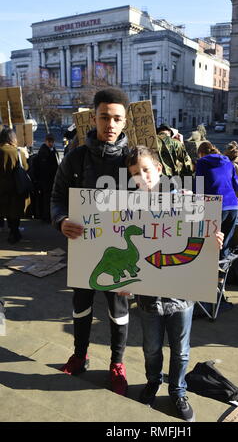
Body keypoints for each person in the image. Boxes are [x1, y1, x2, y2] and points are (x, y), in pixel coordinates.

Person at [126, 145, 223, 422]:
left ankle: (177, 390)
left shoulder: (185, 199)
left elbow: (206, 234)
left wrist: (213, 240)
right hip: (147, 297)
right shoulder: (128, 209)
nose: (141, 177)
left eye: (145, 170)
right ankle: (153, 381)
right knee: (151, 348)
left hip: (182, 295)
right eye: (134, 173)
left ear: (158, 169)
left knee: (180, 351)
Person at [51, 87, 131, 396]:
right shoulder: (76, 157)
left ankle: (117, 363)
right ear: (93, 118)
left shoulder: (133, 158)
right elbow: (57, 197)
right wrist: (61, 221)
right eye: (104, 117)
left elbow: (158, 203)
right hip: (83, 247)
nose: (110, 125)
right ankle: (80, 353)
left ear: (124, 122)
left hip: (122, 251)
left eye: (116, 119)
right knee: (81, 305)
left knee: (118, 308)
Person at [196, 141, 238, 260]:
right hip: (233, 206)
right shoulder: (228, 162)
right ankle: (223, 275)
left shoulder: (201, 162)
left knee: (210, 244)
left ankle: (210, 275)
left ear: (201, 153)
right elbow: (236, 184)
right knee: (225, 247)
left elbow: (198, 186)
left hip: (215, 206)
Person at [0, 128, 29, 244]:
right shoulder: (18, 152)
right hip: (16, 187)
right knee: (15, 211)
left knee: (6, 210)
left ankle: (13, 232)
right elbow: (25, 168)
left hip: (2, 188)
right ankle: (14, 232)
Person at [33, 134, 59, 222]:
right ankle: (46, 216)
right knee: (46, 198)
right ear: (46, 141)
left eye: (52, 141)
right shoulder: (44, 151)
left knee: (47, 198)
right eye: (49, 141)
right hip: (46, 180)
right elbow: (45, 167)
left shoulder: (51, 150)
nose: (51, 143)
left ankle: (47, 215)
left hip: (49, 179)